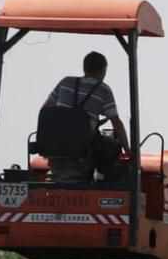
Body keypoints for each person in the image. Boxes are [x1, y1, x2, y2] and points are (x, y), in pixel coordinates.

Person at [41, 51, 128, 181]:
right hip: (83, 149)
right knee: (112, 147)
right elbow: (116, 123)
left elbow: (45, 109)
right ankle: (104, 181)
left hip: (54, 146)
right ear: (103, 71)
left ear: (84, 67)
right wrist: (128, 149)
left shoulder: (66, 82)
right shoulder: (103, 90)